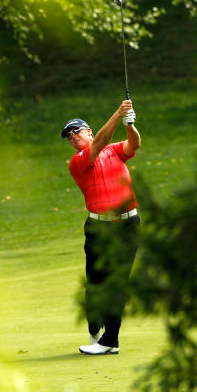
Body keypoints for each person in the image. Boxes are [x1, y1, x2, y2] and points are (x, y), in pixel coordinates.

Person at [61, 99, 140, 355]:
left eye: (77, 132)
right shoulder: (78, 161)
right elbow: (97, 146)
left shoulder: (115, 150)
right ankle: (95, 326)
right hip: (98, 229)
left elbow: (134, 144)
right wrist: (118, 113)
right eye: (69, 137)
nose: (73, 138)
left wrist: (130, 125)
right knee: (96, 283)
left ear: (89, 130)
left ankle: (110, 341)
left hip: (128, 224)